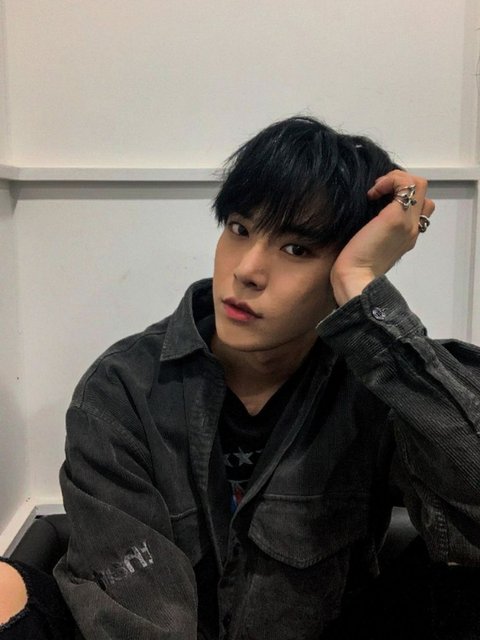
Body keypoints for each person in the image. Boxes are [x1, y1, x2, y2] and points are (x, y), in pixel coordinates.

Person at [1, 115, 480, 639]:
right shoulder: (122, 391)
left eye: (297, 249)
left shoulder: (372, 384)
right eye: (239, 229)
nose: (246, 270)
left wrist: (364, 290)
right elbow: (136, 618)